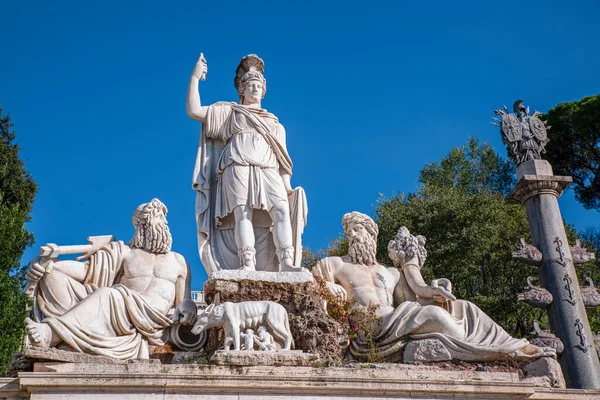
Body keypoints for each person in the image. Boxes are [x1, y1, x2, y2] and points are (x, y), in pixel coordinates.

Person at [313, 212, 555, 362]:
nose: (353, 236)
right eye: (349, 232)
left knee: (464, 307)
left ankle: (515, 344)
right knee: (431, 314)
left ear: (371, 235)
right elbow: (311, 288)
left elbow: (416, 298)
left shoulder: (390, 272)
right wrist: (326, 287)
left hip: (396, 318)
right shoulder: (334, 264)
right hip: (372, 328)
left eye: (358, 230)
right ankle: (498, 351)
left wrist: (436, 289)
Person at [24, 199, 197, 360]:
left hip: (153, 321)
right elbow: (86, 271)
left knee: (109, 295)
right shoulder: (125, 253)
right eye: (159, 217)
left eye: (165, 218)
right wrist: (50, 267)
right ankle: (57, 334)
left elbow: (184, 301)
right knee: (59, 278)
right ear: (142, 225)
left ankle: (50, 334)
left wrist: (189, 305)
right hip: (119, 314)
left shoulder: (178, 260)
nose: (165, 223)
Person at [186, 53, 307, 273]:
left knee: (280, 210)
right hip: (237, 163)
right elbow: (194, 111)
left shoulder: (275, 124)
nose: (255, 89)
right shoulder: (230, 112)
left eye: (258, 85)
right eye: (250, 85)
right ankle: (247, 263)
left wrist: (288, 186)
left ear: (264, 89)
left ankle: (286, 262)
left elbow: (283, 160)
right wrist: (195, 78)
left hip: (268, 166)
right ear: (241, 89)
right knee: (242, 212)